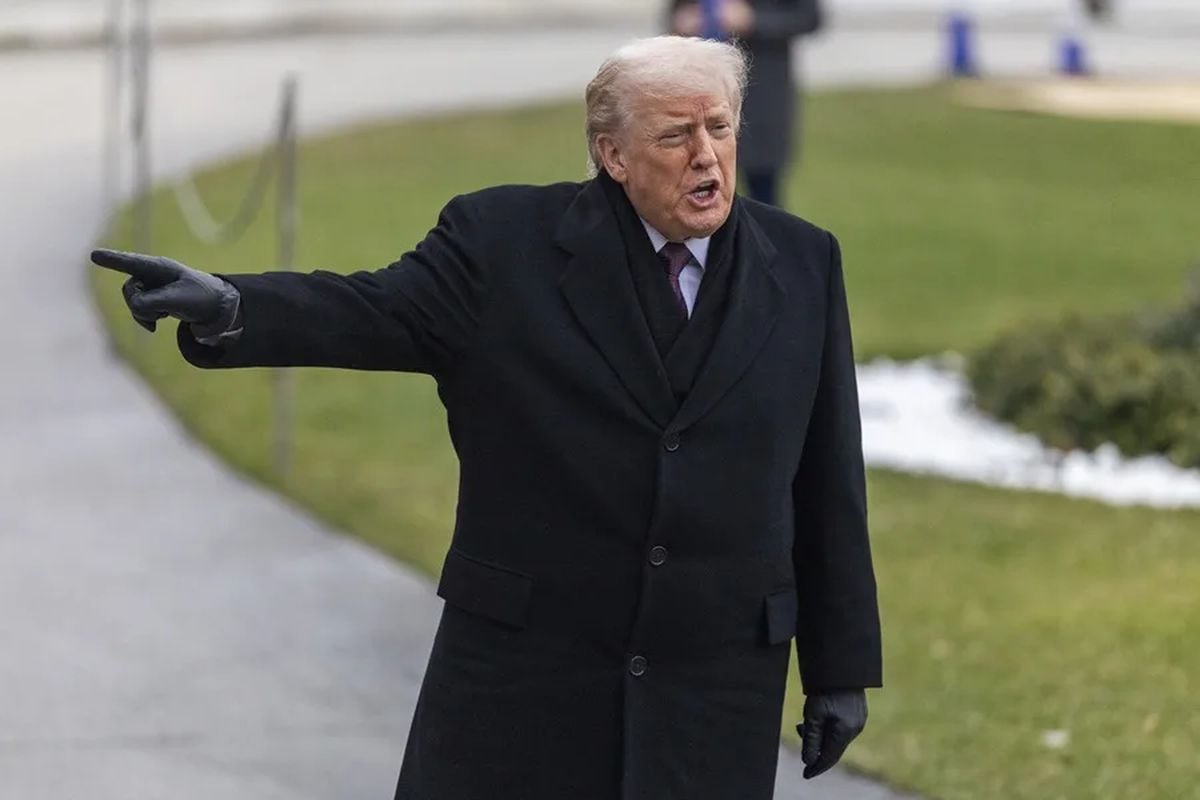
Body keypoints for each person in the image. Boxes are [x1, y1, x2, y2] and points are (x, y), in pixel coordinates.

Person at [92, 35, 881, 800]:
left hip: (714, 692)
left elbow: (827, 477)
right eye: (677, 135)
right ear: (612, 156)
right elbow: (375, 310)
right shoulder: (502, 247)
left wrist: (839, 669)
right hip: (526, 686)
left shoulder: (805, 262)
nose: (708, 155)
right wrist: (233, 304)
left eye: (719, 127)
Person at [670, 0, 823, 207]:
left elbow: (809, 18)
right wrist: (683, 21)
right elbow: (675, 14)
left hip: (761, 96)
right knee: (699, 197)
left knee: (764, 202)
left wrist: (754, 20)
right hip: (700, 91)